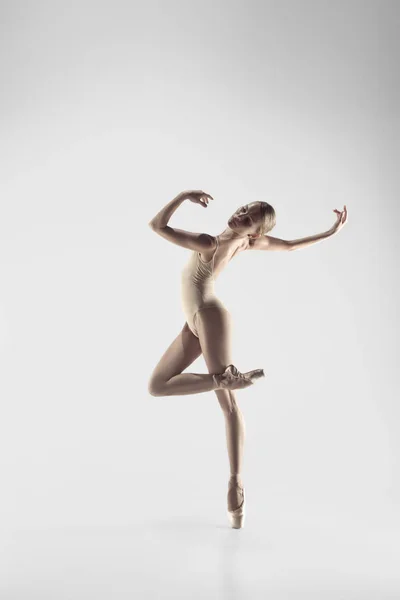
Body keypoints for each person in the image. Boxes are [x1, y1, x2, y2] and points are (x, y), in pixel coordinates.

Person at [147, 190, 348, 528]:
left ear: (254, 232)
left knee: (229, 407)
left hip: (210, 317)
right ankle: (221, 380)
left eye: (248, 219)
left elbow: (157, 226)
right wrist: (330, 233)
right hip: (195, 321)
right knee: (157, 385)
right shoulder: (244, 243)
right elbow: (291, 246)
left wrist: (183, 196)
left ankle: (236, 484)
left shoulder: (209, 243)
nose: (239, 215)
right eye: (243, 209)